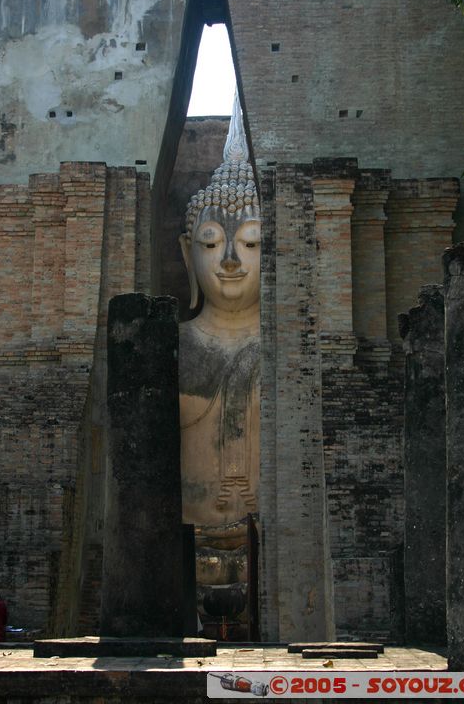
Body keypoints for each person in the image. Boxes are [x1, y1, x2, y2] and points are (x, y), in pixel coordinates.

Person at [178, 92, 260, 588]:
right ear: (187, 254)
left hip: (269, 549)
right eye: (211, 242)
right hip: (187, 550)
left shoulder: (292, 353)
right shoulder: (172, 349)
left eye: (251, 242)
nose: (230, 259)